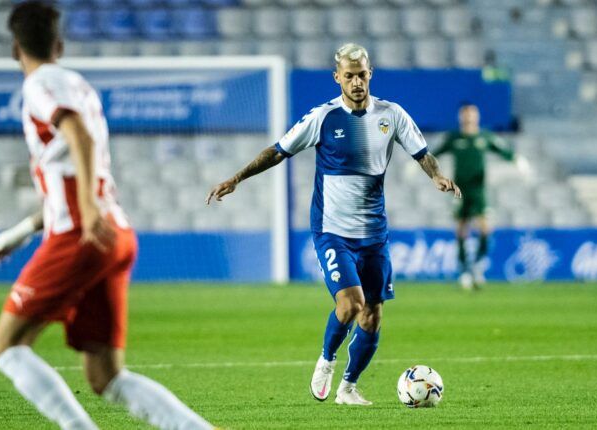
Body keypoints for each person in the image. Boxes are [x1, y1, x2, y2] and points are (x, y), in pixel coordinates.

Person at [0, 2, 213, 429]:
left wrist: (87, 211)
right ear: (60, 44)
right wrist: (19, 232)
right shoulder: (78, 85)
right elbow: (72, 170)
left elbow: (80, 139)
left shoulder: (41, 84)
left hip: (82, 236)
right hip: (115, 232)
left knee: (7, 345)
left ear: (15, 49)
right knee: (105, 375)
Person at [206, 43, 460, 406]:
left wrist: (437, 176)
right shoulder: (323, 118)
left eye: (362, 74)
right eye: (350, 75)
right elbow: (278, 150)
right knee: (350, 305)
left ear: (370, 74)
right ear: (337, 77)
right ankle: (326, 360)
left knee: (372, 316)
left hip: (374, 233)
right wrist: (236, 178)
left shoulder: (392, 115)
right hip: (333, 231)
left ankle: (348, 388)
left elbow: (423, 154)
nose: (357, 81)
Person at [434, 103, 528, 290]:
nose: (468, 117)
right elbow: (436, 152)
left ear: (476, 116)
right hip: (459, 190)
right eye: (465, 114)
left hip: (478, 190)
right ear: (460, 117)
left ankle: (477, 265)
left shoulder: (484, 136)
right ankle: (464, 271)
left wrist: (517, 160)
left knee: (485, 228)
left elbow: (502, 150)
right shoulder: (454, 138)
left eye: (472, 114)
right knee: (461, 229)